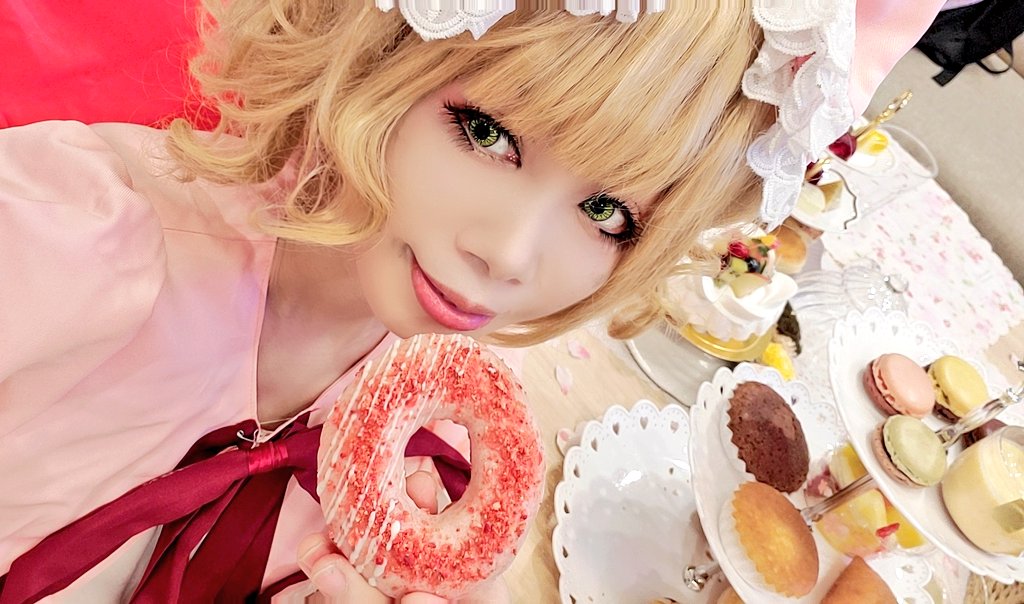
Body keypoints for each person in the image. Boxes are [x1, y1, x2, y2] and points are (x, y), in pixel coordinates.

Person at [0, 0, 946, 602]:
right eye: (488, 131)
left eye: (608, 212)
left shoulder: (429, 454)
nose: (509, 254)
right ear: (381, 54)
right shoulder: (70, 240)